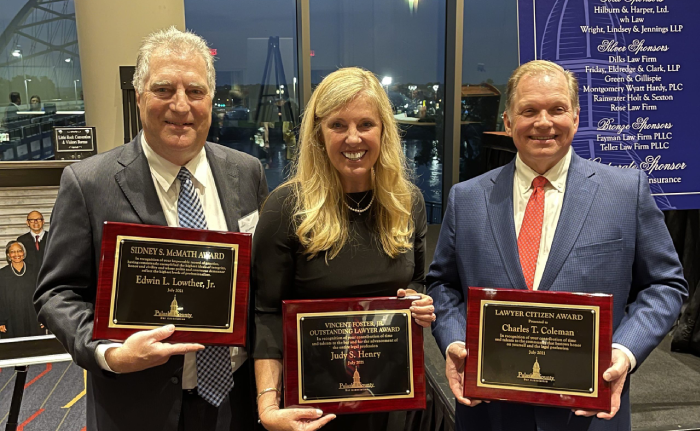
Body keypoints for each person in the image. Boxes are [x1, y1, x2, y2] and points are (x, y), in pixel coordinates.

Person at [427, 60, 688, 431]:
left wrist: (624, 352)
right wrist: (454, 341)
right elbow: (442, 285)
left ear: (576, 117)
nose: (544, 122)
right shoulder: (467, 199)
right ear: (507, 122)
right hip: (491, 412)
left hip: (588, 414)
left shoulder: (625, 192)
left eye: (557, 109)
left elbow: (665, 285)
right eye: (529, 111)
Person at [34, 27, 268, 431]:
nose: (181, 106)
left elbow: (262, 279)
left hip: (236, 402)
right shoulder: (89, 183)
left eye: (195, 91)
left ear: (211, 99)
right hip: (138, 407)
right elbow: (57, 293)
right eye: (163, 89)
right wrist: (108, 352)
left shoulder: (246, 172)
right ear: (140, 95)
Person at [252, 67, 434, 431]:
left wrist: (418, 302)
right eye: (338, 125)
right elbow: (266, 313)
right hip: (315, 408)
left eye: (366, 124)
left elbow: (416, 280)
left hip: (393, 397)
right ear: (319, 134)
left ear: (383, 130)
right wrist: (267, 406)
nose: (353, 138)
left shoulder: (407, 202)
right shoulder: (286, 207)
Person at [0, 241, 42, 339]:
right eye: (12, 252)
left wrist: (43, 317)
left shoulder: (35, 271)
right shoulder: (2, 274)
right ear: (8, 255)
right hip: (11, 319)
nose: (16, 254)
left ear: (24, 253)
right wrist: (1, 321)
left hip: (33, 317)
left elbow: (41, 295)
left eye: (19, 251)